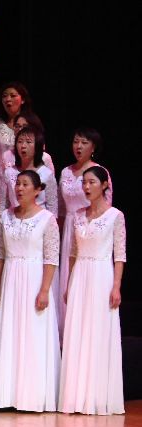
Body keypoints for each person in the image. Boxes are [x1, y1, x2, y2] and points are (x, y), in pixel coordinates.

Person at [0, 170, 61, 412]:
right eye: (17, 184)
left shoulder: (47, 219)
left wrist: (45, 290)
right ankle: (7, 395)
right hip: (11, 278)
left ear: (38, 190)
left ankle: (32, 396)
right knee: (11, 331)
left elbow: (51, 257)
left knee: (33, 332)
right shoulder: (6, 217)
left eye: (25, 184)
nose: (19, 188)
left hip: (34, 278)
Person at [59, 167, 125, 414]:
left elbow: (120, 255)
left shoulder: (115, 216)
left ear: (105, 184)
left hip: (101, 275)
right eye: (84, 183)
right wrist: (69, 283)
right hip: (80, 275)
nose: (86, 187)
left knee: (97, 332)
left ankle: (97, 396)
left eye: (92, 182)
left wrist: (116, 286)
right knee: (77, 331)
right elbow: (73, 253)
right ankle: (75, 396)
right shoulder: (78, 215)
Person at [56, 127, 107, 328]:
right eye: (76, 142)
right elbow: (61, 207)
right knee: (68, 276)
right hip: (69, 228)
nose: (78, 146)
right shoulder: (65, 172)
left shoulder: (99, 172)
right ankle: (67, 329)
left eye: (84, 143)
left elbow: (106, 208)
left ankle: (87, 327)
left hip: (90, 229)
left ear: (93, 147)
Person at [0, 81, 33, 199]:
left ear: (22, 100)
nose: (8, 99)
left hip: (25, 180)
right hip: (0, 181)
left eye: (13, 95)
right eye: (4, 96)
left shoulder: (31, 124)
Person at [1, 124, 58, 218]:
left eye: (28, 142)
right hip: (14, 220)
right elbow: (3, 204)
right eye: (20, 142)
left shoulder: (46, 174)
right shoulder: (9, 172)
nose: (23, 146)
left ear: (37, 146)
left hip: (39, 221)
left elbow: (52, 207)